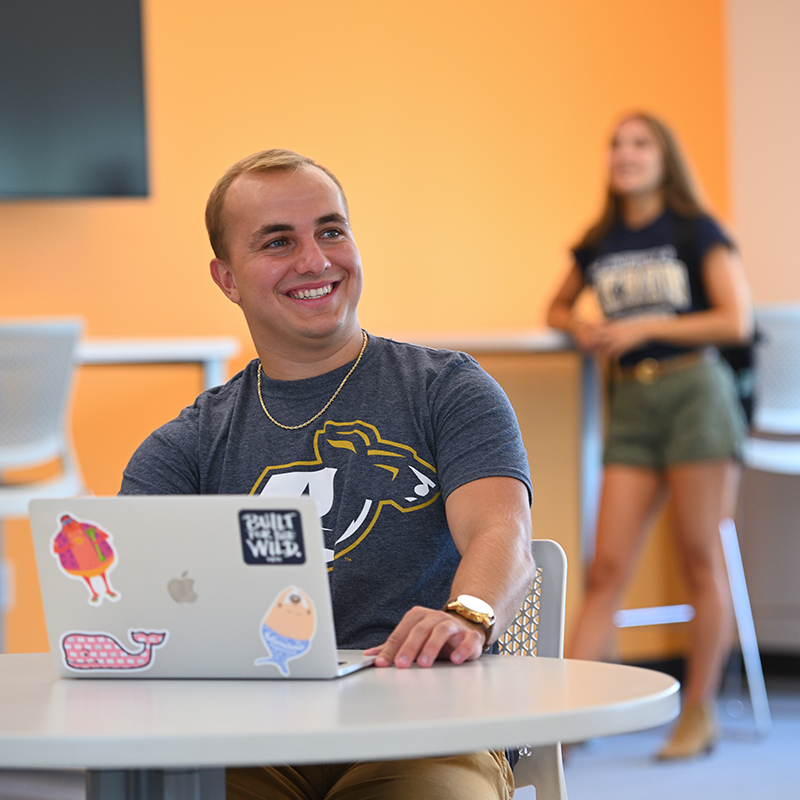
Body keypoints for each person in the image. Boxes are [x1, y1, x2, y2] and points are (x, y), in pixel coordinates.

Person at [120, 148, 535, 798]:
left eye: (331, 230)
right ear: (227, 278)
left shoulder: (448, 390)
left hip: (426, 726)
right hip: (245, 739)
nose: (316, 260)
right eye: (278, 242)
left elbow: (501, 531)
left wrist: (468, 614)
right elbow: (130, 608)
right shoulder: (182, 448)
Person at [547, 112, 753, 760]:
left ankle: (697, 713)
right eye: (616, 143)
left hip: (697, 394)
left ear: (666, 158)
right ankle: (569, 719)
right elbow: (554, 306)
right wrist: (580, 328)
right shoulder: (601, 238)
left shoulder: (696, 229)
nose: (625, 153)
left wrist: (642, 328)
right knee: (605, 564)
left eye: (641, 143)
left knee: (700, 559)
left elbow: (735, 320)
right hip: (632, 403)